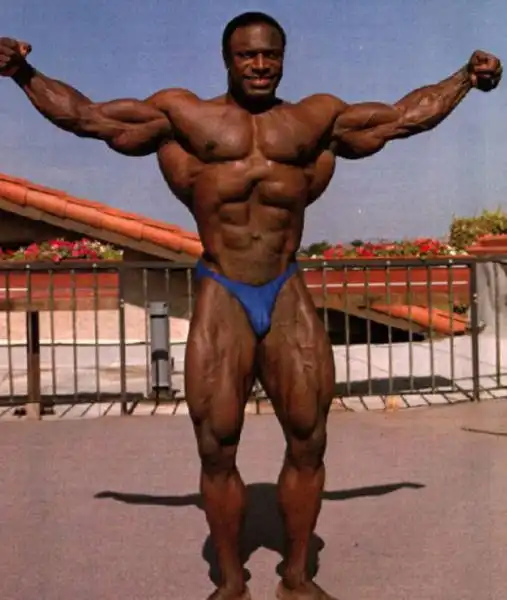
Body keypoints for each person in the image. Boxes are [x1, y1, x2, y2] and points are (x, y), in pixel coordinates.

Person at [0, 12, 502, 600]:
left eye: (270, 55)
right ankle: (232, 582)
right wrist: (24, 73)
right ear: (227, 59)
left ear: (283, 58)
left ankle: (297, 577)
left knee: (310, 438)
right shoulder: (184, 117)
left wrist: (464, 78)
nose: (260, 65)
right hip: (223, 287)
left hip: (285, 286)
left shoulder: (314, 119)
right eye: (246, 55)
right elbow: (87, 117)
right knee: (216, 443)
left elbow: (401, 117)